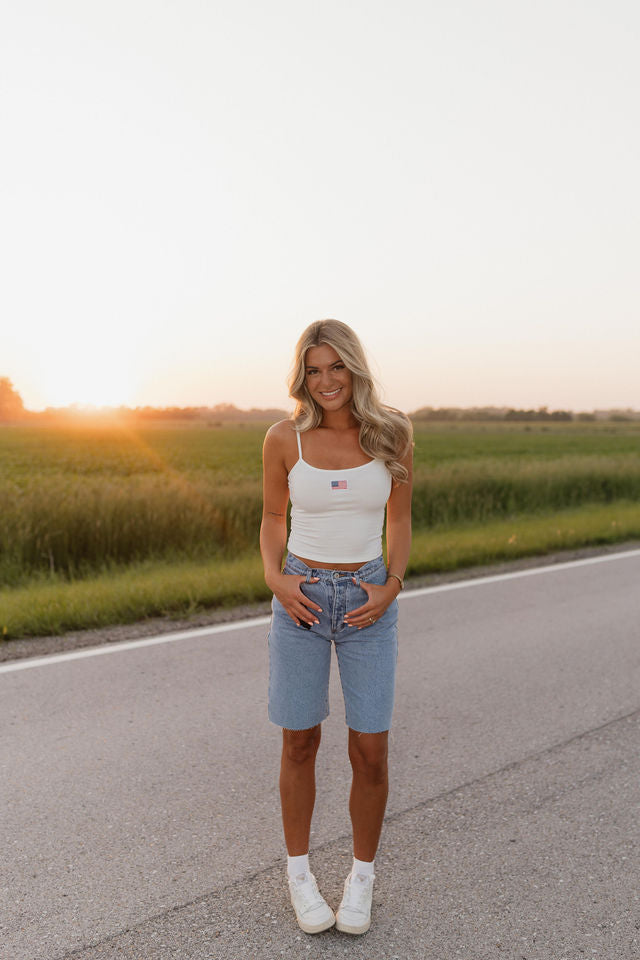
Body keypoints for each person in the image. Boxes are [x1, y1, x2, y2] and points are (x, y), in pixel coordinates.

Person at [260, 319, 413, 936]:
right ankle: (298, 874)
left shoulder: (393, 434)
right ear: (304, 375)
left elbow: (399, 522)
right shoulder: (282, 439)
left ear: (354, 368)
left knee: (370, 748)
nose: (326, 381)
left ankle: (362, 877)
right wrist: (275, 579)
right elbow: (274, 515)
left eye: (336, 367)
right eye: (314, 369)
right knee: (299, 741)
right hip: (300, 596)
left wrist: (391, 586)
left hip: (367, 601)